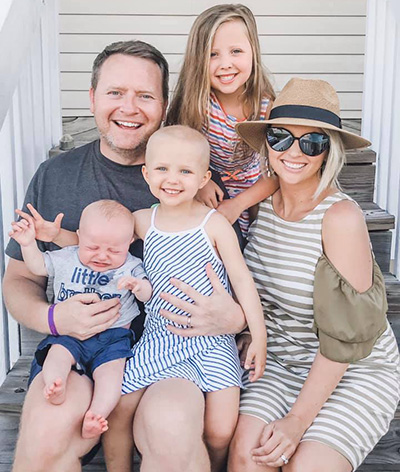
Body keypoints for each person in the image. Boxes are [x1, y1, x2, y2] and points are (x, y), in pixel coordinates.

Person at [3, 40, 246, 472]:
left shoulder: (188, 183)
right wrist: (55, 320)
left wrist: (237, 319)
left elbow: (236, 282)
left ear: (164, 106)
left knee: (171, 430)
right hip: (78, 348)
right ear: (93, 97)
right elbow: (19, 280)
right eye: (115, 92)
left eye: (145, 95)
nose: (129, 108)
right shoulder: (57, 176)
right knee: (43, 437)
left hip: (170, 348)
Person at [223, 78, 400, 471]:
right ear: (268, 142)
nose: (295, 152)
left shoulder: (340, 218)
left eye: (313, 142)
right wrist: (252, 332)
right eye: (282, 137)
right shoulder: (262, 204)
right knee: (247, 456)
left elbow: (345, 335)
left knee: (306, 466)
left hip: (352, 368)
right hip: (280, 360)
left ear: (328, 152)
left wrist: (298, 420)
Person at [120, 125, 265, 472]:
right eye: (163, 169)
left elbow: (242, 281)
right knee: (120, 404)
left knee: (219, 429)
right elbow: (101, 237)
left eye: (185, 171)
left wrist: (258, 334)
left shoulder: (213, 224)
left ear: (203, 178)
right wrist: (54, 236)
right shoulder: (143, 221)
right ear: (146, 173)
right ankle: (119, 463)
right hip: (161, 335)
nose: (173, 179)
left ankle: (212, 465)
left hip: (214, 340)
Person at [9, 200, 152, 439]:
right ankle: (56, 384)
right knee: (57, 354)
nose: (102, 256)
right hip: (70, 332)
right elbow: (37, 266)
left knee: (112, 376)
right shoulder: (67, 257)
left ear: (130, 243)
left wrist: (138, 287)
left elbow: (148, 293)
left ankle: (96, 415)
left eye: (114, 250)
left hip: (113, 338)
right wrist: (27, 244)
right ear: (78, 236)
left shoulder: (131, 266)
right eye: (92, 247)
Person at [166, 3, 279, 237]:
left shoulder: (267, 108)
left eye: (236, 51)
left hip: (254, 199)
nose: (225, 63)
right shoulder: (196, 105)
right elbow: (175, 154)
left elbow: (276, 174)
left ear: (253, 52)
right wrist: (201, 182)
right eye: (213, 54)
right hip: (203, 195)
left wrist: (238, 204)